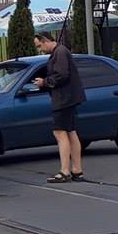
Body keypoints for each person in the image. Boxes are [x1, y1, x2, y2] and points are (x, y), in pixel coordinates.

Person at [29, 31, 86, 183]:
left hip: (64, 99)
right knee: (70, 132)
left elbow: (61, 75)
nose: (40, 50)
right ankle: (77, 170)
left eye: (39, 46)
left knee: (60, 133)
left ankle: (65, 171)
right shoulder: (61, 52)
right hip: (69, 98)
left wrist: (44, 82)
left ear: (45, 40)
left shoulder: (59, 52)